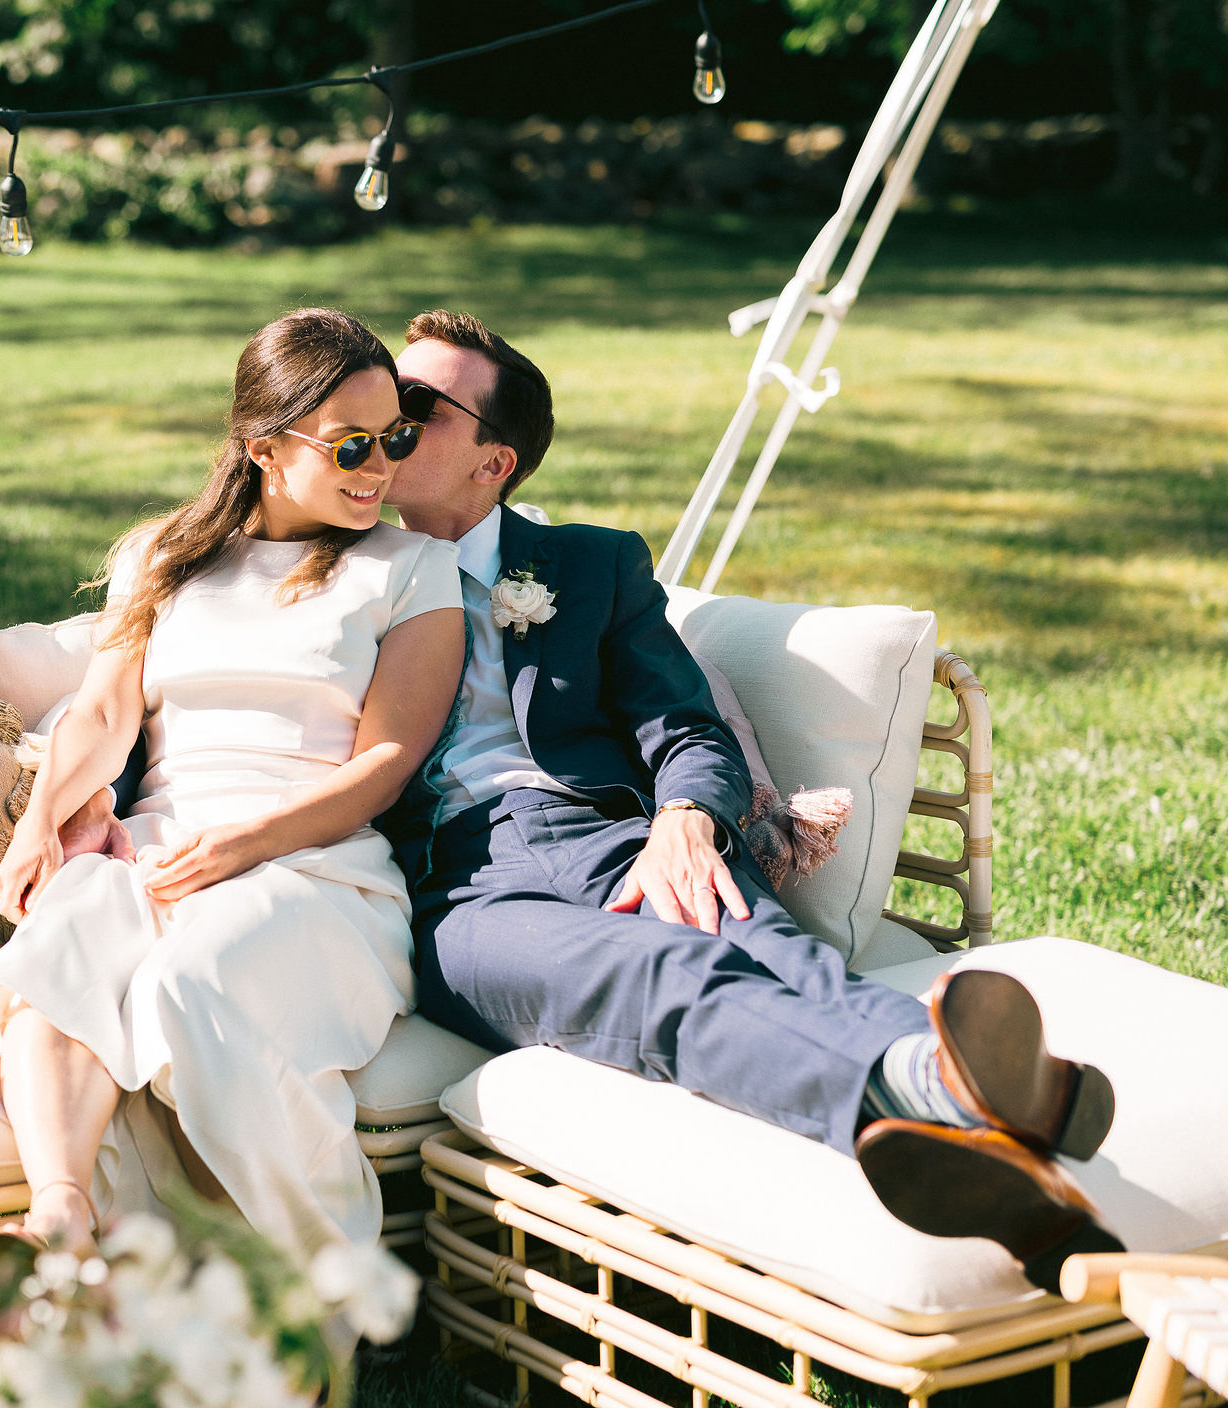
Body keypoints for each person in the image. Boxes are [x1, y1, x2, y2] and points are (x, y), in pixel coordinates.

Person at [368, 308, 1121, 1290]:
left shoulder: (586, 567)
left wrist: (685, 817)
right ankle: (945, 1085)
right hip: (463, 891)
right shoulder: (326, 567)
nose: (385, 418)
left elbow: (682, 724)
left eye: (416, 406)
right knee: (661, 978)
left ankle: (1029, 1204)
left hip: (615, 839)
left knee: (772, 953)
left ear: (492, 462)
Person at [0, 308, 465, 1264]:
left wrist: (248, 844)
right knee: (68, 942)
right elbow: (103, 716)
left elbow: (383, 764)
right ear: (264, 446)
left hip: (318, 869)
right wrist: (40, 824)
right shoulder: (165, 556)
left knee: (191, 980)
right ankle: (59, 1217)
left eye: (395, 438)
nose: (381, 468)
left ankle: (303, 1282)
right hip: (163, 851)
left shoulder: (414, 569)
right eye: (353, 444)